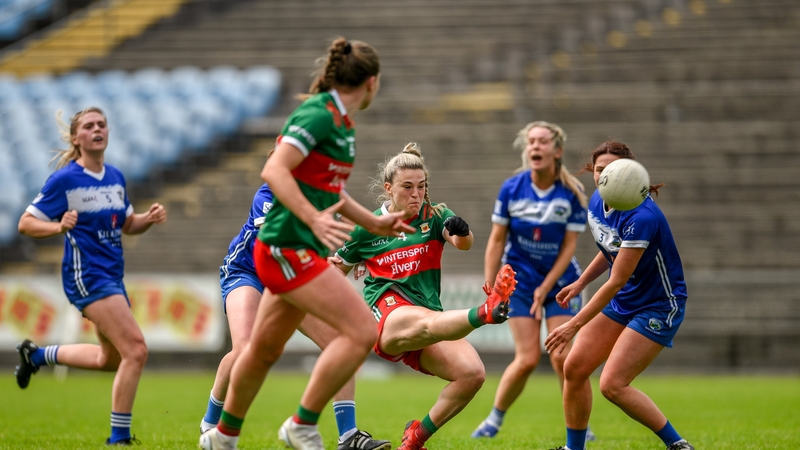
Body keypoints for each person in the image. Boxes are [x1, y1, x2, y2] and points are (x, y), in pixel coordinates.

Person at [200, 37, 415, 450]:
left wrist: (374, 222)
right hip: (285, 249)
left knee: (261, 352)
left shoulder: (343, 123)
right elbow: (274, 170)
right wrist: (312, 216)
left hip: (293, 250)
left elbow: (330, 190)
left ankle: (221, 436)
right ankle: (302, 423)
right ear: (373, 82)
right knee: (358, 331)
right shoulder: (319, 114)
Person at [328, 142, 518, 450]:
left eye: (421, 186)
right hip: (388, 314)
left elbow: (463, 243)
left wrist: (462, 230)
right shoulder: (366, 228)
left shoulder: (436, 215)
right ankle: (485, 311)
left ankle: (416, 438)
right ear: (388, 188)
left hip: (430, 318)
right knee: (427, 322)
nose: (415, 194)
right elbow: (336, 272)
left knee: (472, 374)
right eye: (407, 187)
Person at [15, 107, 167, 445]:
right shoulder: (65, 180)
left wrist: (148, 217)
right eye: (88, 125)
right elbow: (25, 223)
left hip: (112, 275)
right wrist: (58, 226)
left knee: (109, 359)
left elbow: (127, 225)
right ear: (76, 138)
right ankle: (119, 438)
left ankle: (37, 356)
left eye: (102, 124)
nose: (97, 129)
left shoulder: (115, 176)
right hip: (87, 277)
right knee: (136, 350)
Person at [200, 182, 390, 450]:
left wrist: (356, 254)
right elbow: (280, 238)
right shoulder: (268, 192)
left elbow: (352, 217)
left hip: (292, 274)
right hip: (248, 272)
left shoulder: (323, 184)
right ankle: (212, 425)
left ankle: (348, 436)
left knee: (340, 341)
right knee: (245, 349)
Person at [544, 141, 694, 450]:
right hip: (627, 298)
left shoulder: (643, 218)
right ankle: (575, 448)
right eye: (599, 170)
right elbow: (611, 248)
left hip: (658, 305)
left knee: (612, 385)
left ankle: (678, 444)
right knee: (574, 368)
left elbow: (616, 280)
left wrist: (574, 324)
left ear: (629, 172)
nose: (604, 176)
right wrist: (580, 283)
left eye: (612, 170)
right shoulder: (598, 200)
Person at [472, 121, 594, 440]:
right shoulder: (511, 188)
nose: (535, 147)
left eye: (542, 141)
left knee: (562, 357)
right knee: (526, 359)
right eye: (531, 142)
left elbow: (569, 248)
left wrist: (547, 287)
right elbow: (496, 241)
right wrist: (490, 288)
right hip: (520, 284)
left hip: (561, 284)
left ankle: (580, 424)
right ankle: (493, 421)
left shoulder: (572, 193)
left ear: (557, 151)